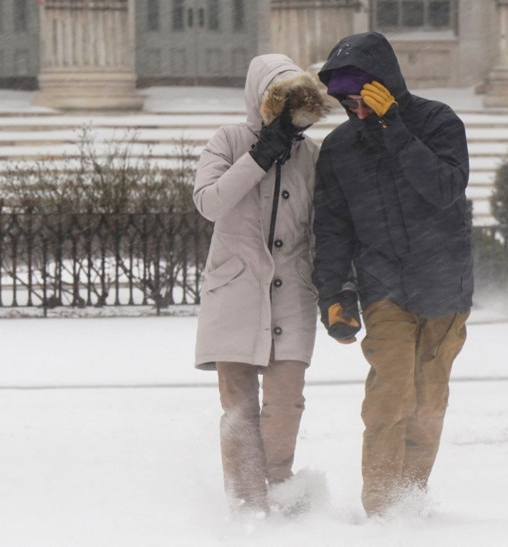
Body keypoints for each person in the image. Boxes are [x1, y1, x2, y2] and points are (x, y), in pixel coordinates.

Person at [313, 32, 473, 517]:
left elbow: (445, 189)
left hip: (444, 283)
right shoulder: (339, 150)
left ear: (387, 86)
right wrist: (333, 294)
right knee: (390, 394)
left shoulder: (438, 123)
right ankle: (384, 512)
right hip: (385, 288)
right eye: (348, 102)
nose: (356, 110)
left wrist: (394, 127)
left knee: (428, 402)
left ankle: (411, 501)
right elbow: (333, 228)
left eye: (365, 99)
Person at [193, 54, 328, 515]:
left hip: (292, 290)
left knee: (286, 403)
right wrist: (258, 155)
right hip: (234, 290)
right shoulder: (228, 140)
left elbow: (321, 226)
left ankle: (280, 494)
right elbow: (210, 202)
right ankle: (247, 509)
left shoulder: (312, 154)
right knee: (239, 408)